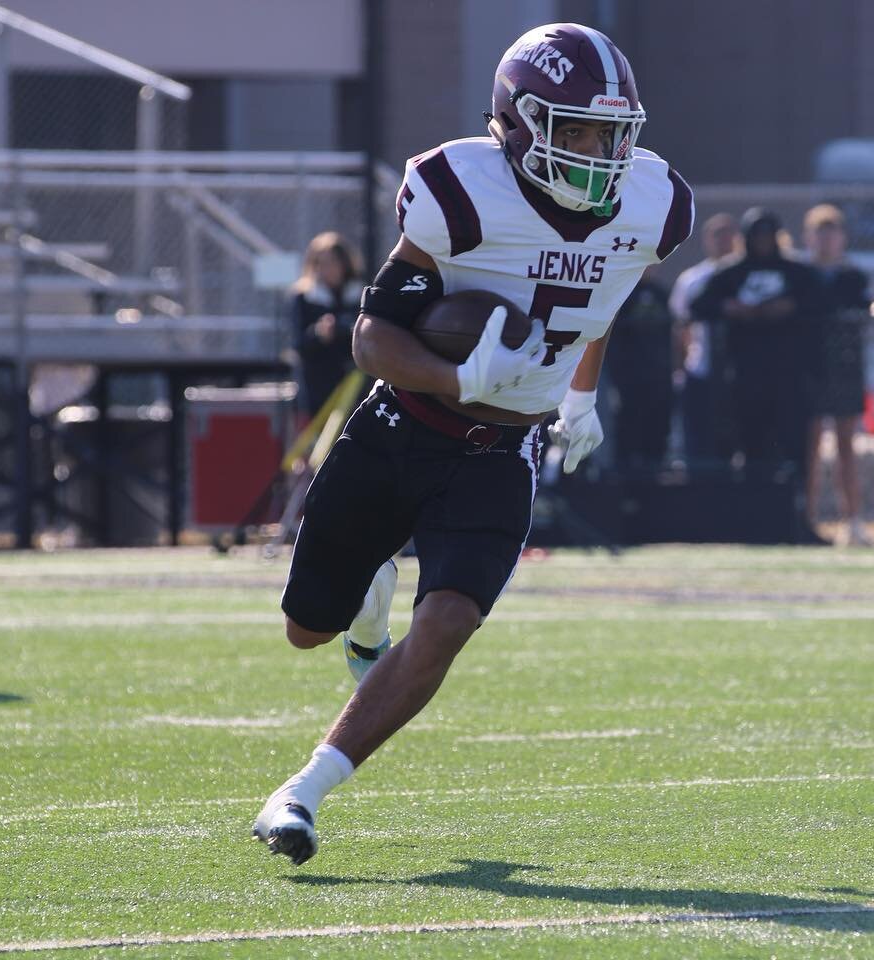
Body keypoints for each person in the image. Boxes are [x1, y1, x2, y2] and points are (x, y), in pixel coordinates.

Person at [252, 22, 693, 865]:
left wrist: (581, 394)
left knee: (450, 620)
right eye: (581, 130)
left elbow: (603, 290)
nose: (602, 153)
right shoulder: (460, 189)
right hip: (402, 427)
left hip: (504, 449)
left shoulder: (654, 201)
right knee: (307, 630)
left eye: (615, 133)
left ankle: (302, 791)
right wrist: (459, 379)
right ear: (519, 123)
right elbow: (373, 338)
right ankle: (368, 598)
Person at [691, 208, 819, 492]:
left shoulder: (797, 272)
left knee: (794, 446)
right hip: (746, 375)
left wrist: (791, 307)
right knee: (751, 444)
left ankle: (796, 514)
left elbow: (822, 302)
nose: (763, 242)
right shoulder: (731, 273)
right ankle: (754, 509)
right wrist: (730, 308)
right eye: (757, 236)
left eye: (767, 236)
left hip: (790, 376)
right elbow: (698, 305)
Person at [800, 204, 873, 546]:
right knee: (809, 448)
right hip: (810, 369)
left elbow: (859, 314)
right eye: (820, 232)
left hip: (844, 368)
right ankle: (807, 517)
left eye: (832, 233)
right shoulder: (799, 274)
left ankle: (853, 521)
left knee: (846, 446)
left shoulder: (853, 277)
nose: (826, 240)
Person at [668, 213, 738, 467]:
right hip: (700, 369)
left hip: (736, 372)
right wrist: (682, 367)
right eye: (717, 236)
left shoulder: (742, 274)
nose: (723, 241)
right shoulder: (692, 279)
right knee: (698, 440)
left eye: (728, 235)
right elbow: (680, 327)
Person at [288, 232, 364, 419]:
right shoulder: (304, 297)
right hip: (319, 389)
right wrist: (319, 334)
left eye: (333, 262)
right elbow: (298, 344)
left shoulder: (361, 294)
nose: (328, 269)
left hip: (356, 386)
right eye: (321, 263)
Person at [604, 275, 675, 473]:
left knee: (657, 431)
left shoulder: (661, 293)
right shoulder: (618, 292)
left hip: (659, 377)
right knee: (627, 429)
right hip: (625, 379)